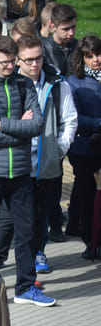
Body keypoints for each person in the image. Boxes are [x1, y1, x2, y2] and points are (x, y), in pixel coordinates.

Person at [0, 36, 52, 305]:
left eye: (14, 61)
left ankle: (26, 287)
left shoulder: (24, 84)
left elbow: (37, 125)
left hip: (22, 171)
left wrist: (2, 124)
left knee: (28, 232)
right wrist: (18, 128)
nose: (11, 67)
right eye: (5, 62)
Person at [0, 34, 76, 272]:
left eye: (39, 59)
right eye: (29, 60)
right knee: (12, 216)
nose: (35, 64)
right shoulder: (8, 83)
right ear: (18, 61)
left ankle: (38, 252)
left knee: (41, 211)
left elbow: (70, 120)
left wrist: (58, 149)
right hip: (16, 160)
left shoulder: (57, 84)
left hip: (46, 162)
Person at [65, 35, 101, 259]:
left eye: (98, 54)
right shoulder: (74, 81)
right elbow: (75, 116)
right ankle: (89, 240)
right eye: (90, 56)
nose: (96, 60)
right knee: (88, 195)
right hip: (85, 147)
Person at [41, 3, 77, 77]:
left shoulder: (80, 47)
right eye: (66, 29)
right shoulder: (42, 50)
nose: (71, 33)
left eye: (73, 27)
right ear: (53, 26)